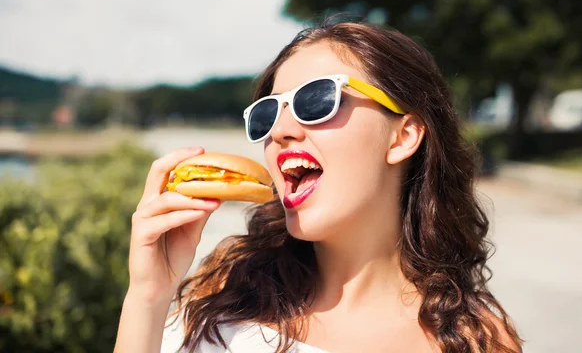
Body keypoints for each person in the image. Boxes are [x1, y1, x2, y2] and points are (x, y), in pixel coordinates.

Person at [114, 19, 523, 353]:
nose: (281, 131)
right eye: (267, 114)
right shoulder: (225, 286)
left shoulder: (477, 341)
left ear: (403, 136)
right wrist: (148, 297)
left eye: (317, 100)